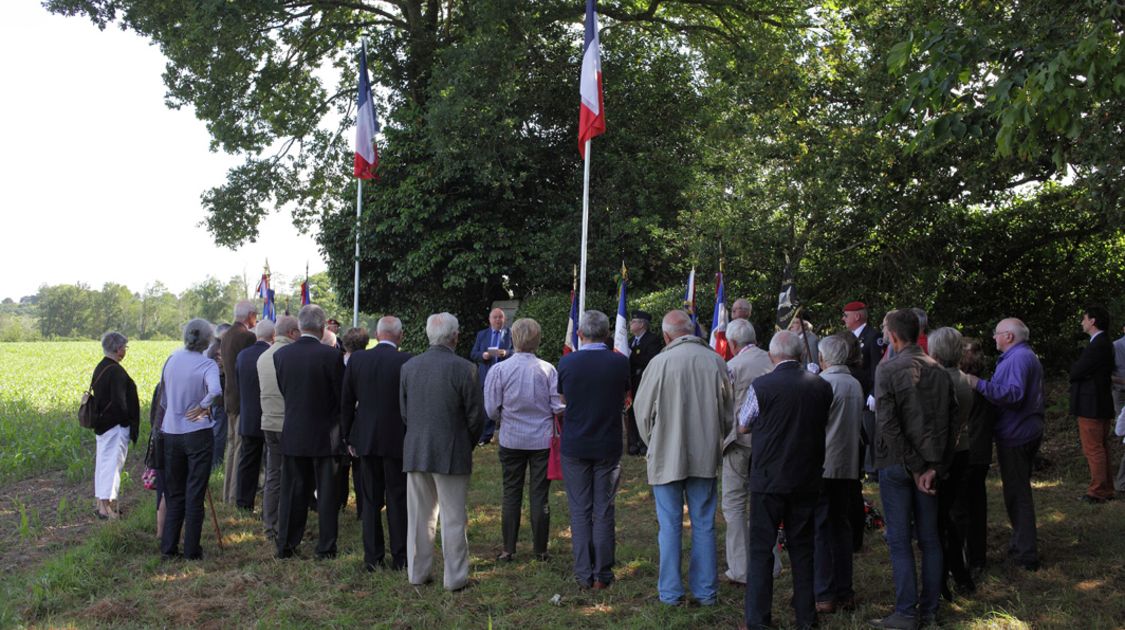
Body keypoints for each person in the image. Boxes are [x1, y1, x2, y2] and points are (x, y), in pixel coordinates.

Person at [634, 310, 733, 607]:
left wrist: (655, 442)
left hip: (666, 454)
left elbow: (641, 413)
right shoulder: (715, 361)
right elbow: (729, 415)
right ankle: (705, 591)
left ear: (666, 336)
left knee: (670, 524)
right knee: (703, 523)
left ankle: (670, 592)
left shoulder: (659, 362)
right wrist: (713, 440)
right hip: (704, 454)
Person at [734, 330, 831, 629]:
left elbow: (743, 425)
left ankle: (758, 620)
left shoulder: (762, 386)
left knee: (762, 551)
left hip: (768, 479)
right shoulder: (821, 387)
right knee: (803, 549)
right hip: (806, 476)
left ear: (773, 355)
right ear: (800, 354)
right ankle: (806, 618)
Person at [870, 309, 957, 629]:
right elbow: (952, 423)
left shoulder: (889, 370)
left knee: (901, 539)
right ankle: (929, 610)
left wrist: (923, 467)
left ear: (893, 336)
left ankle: (908, 611)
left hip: (900, 464)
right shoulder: (939, 370)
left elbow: (888, 425)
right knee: (930, 538)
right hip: (928, 466)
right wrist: (935, 467)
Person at [400, 312, 484, 591]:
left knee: (419, 517)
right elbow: (475, 417)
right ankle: (455, 578)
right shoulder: (465, 368)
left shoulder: (409, 367)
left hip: (416, 449)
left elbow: (405, 413)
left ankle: (417, 573)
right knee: (453, 517)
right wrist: (464, 443)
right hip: (451, 451)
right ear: (455, 336)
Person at [557, 310, 631, 589]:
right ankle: (602, 574)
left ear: (580, 334)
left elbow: (563, 398)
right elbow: (625, 394)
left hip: (576, 442)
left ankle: (584, 574)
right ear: (607, 333)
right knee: (603, 509)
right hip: (607, 443)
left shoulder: (568, 362)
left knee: (579, 510)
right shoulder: (619, 363)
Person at [965, 317, 1044, 571]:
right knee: (1016, 491)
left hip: (1018, 434)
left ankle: (1025, 554)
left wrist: (978, 384)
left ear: (1009, 336)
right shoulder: (1020, 357)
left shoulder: (1019, 359)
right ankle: (1021, 544)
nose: (994, 338)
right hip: (1020, 431)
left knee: (1017, 494)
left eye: (997, 333)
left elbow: (1014, 395)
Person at [483, 317, 565, 562]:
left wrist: (504, 418)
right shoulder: (547, 369)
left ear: (513, 339)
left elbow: (490, 408)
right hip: (541, 439)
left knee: (511, 492)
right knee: (539, 494)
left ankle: (509, 548)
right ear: (537, 340)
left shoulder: (500, 369)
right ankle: (540, 549)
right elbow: (557, 406)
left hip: (511, 437)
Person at [340, 316, 414, 571]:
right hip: (398, 438)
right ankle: (401, 557)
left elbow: (346, 400)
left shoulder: (358, 359)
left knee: (370, 499)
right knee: (398, 497)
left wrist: (348, 435)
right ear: (400, 336)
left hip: (366, 438)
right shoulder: (407, 361)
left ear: (377, 334)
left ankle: (372, 558)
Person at [273, 304, 346, 559]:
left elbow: (285, 391)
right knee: (326, 494)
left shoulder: (281, 356)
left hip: (293, 429)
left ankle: (287, 544)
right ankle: (326, 547)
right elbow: (340, 396)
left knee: (292, 491)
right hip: (326, 433)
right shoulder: (332, 356)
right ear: (323, 326)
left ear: (301, 326)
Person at [160, 319, 222, 560]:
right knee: (194, 493)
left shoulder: (172, 359)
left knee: (174, 493)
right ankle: (191, 550)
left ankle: (168, 548)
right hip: (197, 432)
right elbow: (215, 391)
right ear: (208, 341)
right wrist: (202, 406)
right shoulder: (207, 364)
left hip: (172, 432)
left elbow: (163, 396)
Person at [813, 334, 863, 614]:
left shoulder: (825, 384)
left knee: (821, 529)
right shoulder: (853, 382)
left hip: (825, 463)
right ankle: (844, 591)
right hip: (847, 464)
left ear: (824, 358)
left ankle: (824, 593)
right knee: (841, 527)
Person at [721, 318, 773, 587]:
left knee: (734, 504)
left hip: (739, 443)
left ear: (731, 343)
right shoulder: (773, 360)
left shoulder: (730, 367)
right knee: (766, 503)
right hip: (770, 444)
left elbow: (722, 406)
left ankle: (740, 568)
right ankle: (771, 562)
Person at [927, 327, 977, 595]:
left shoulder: (941, 382)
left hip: (945, 455)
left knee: (939, 521)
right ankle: (958, 574)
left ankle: (951, 575)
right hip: (960, 451)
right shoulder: (962, 378)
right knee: (946, 517)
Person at [257, 315, 300, 542]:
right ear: (293, 332)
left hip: (268, 423)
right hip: (287, 424)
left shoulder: (263, 357)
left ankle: (269, 524)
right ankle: (285, 525)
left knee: (273, 476)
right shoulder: (291, 356)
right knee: (290, 477)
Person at [956, 338, 996, 575]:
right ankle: (977, 556)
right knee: (977, 504)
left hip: (968, 451)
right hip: (980, 451)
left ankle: (967, 558)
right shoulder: (986, 384)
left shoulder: (967, 386)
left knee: (962, 507)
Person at [91, 331, 140, 520]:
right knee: (112, 466)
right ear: (118, 349)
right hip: (115, 426)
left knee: (103, 465)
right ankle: (106, 508)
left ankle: (102, 504)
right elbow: (120, 403)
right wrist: (127, 421)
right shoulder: (116, 371)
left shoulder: (100, 367)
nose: (125, 351)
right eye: (124, 348)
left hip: (102, 425)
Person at [1070, 305, 1116, 503]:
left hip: (1092, 404)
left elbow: (1077, 371)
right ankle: (1106, 488)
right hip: (1100, 402)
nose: (1082, 322)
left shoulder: (1097, 345)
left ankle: (1097, 491)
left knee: (1093, 448)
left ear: (1093, 321)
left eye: (1084, 318)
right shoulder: (1105, 343)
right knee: (1101, 447)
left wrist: (1077, 371)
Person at [220, 300, 258, 503]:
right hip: (242, 398)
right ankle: (235, 495)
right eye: (255, 314)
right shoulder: (247, 337)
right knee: (239, 447)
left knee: (231, 446)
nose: (257, 318)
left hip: (229, 397)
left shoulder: (226, 335)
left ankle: (227, 494)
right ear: (249, 315)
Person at [234, 319, 273, 510]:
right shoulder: (272, 354)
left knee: (247, 462)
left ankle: (243, 502)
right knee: (271, 464)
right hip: (269, 415)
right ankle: (270, 503)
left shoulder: (242, 356)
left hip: (249, 415)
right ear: (273, 336)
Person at [842, 301, 883, 478]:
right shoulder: (848, 337)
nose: (843, 319)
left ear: (857, 316)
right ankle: (859, 468)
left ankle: (873, 470)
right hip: (852, 391)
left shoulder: (873, 337)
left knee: (870, 434)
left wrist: (874, 392)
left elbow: (876, 367)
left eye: (846, 315)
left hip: (866, 393)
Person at [470, 307, 513, 446]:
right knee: (487, 405)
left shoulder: (510, 334)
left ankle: (507, 434)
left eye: (500, 317)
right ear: (489, 320)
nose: (498, 320)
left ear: (504, 319)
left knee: (506, 404)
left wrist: (505, 353)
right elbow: (473, 354)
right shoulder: (482, 335)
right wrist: (483, 355)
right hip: (487, 375)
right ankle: (486, 436)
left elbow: (517, 351)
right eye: (495, 317)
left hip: (505, 375)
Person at [626, 310, 663, 456]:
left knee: (644, 411)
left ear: (642, 324)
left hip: (644, 381)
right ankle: (633, 443)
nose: (630, 324)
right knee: (631, 411)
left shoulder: (652, 340)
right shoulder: (629, 341)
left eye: (633, 321)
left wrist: (632, 356)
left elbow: (651, 360)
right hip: (631, 383)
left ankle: (644, 442)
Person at [207, 322, 231, 469]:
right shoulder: (218, 351)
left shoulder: (215, 348)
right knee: (219, 431)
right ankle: (216, 463)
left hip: (217, 397)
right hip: (219, 397)